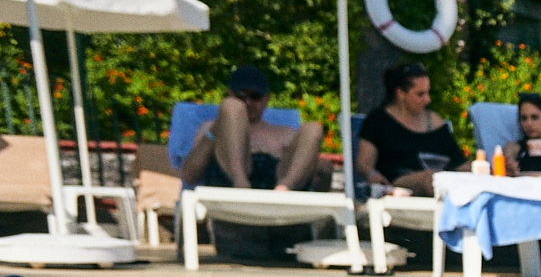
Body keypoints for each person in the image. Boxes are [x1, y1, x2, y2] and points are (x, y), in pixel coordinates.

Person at [179, 65, 325, 192]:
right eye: (241, 95)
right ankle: (240, 182)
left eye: (255, 96)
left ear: (266, 98)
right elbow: (189, 176)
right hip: (229, 194)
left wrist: (319, 170)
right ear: (231, 94)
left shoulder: (285, 134)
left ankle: (284, 188)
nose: (247, 102)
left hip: (277, 196)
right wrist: (216, 129)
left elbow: (318, 176)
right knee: (231, 108)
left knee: (313, 128)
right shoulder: (211, 128)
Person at [356, 62, 465, 198]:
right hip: (397, 183)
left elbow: (457, 162)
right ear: (401, 93)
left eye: (427, 93)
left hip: (440, 179)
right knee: (430, 179)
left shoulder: (434, 121)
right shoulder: (378, 121)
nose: (427, 100)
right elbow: (364, 163)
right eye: (420, 94)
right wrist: (372, 175)